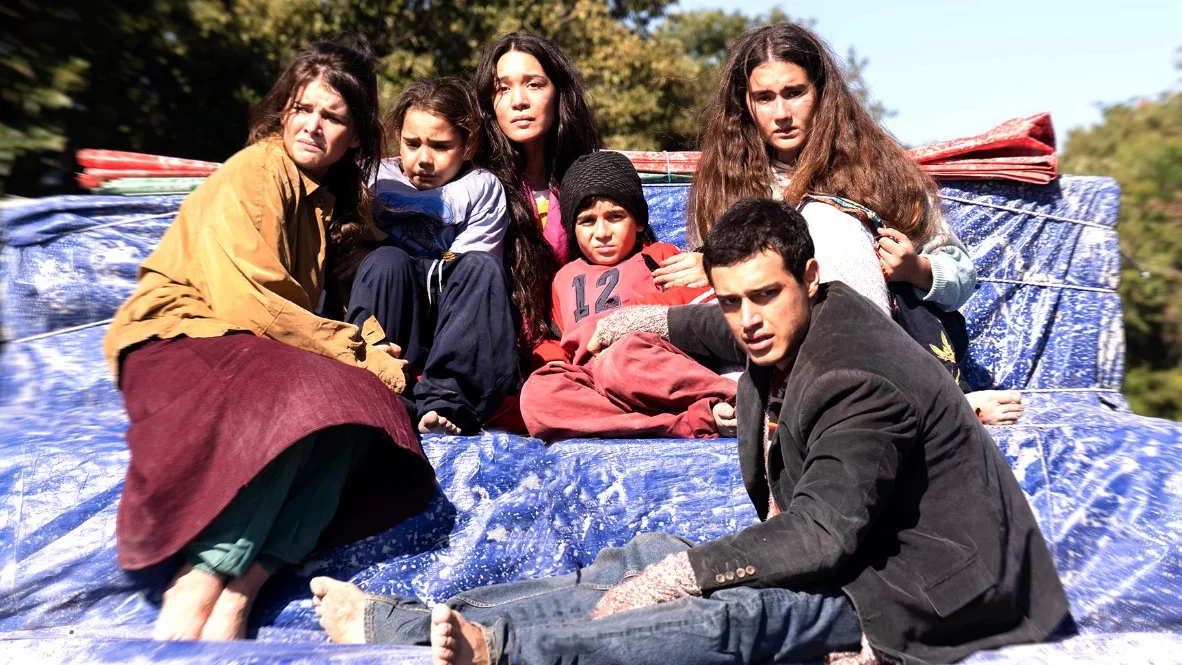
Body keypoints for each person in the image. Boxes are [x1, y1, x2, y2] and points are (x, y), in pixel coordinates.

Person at [308, 198, 1071, 665]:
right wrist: (638, 319)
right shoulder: (789, 314)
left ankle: (499, 651)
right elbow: (719, 324)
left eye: (763, 296)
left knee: (733, 611)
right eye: (731, 299)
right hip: (855, 549)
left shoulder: (856, 376)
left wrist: (685, 576)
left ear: (810, 278)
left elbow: (821, 534)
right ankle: (402, 623)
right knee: (639, 558)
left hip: (918, 589)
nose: (748, 320)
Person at [101, 41, 436, 641]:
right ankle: (198, 583)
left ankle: (242, 590)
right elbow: (250, 303)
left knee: (362, 409)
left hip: (247, 343)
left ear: (356, 136)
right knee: (315, 391)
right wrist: (355, 353)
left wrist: (371, 350)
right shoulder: (257, 170)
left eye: (332, 116)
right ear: (283, 110)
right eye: (302, 108)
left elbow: (324, 306)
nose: (312, 125)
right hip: (177, 338)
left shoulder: (328, 204)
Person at [686, 22, 1022, 425]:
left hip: (875, 357)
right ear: (746, 104)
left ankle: (908, 401)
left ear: (821, 93)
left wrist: (915, 269)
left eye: (794, 93)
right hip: (769, 355)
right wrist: (709, 267)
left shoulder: (881, 173)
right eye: (765, 98)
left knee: (826, 222)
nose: (782, 114)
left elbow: (961, 277)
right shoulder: (725, 185)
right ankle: (769, 406)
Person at [519, 151, 735, 441]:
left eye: (615, 217)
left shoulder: (659, 258)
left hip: (646, 368)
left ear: (639, 221)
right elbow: (559, 341)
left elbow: (698, 310)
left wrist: (631, 317)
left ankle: (736, 399)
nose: (602, 233)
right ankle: (690, 420)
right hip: (594, 382)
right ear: (572, 230)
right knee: (538, 394)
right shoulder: (564, 279)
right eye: (587, 221)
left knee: (622, 358)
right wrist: (551, 363)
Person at [345, 77, 517, 436]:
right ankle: (380, 386)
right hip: (391, 299)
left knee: (482, 267)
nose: (423, 159)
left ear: (468, 145)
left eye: (440, 146)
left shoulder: (482, 188)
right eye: (412, 144)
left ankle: (447, 400)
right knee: (386, 262)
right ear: (398, 136)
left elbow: (461, 265)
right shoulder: (371, 179)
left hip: (449, 305)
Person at [471, 33, 601, 365]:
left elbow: (637, 257)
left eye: (533, 84)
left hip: (584, 349)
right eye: (502, 88)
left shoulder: (593, 179)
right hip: (494, 355)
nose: (518, 101)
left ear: (559, 93)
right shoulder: (472, 187)